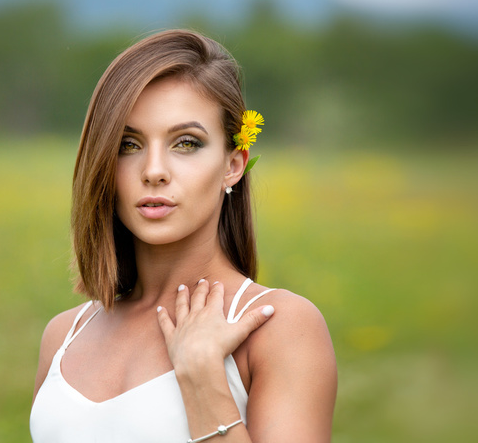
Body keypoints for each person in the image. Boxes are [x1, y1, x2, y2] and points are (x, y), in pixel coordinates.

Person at [30, 29, 337, 442]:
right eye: (127, 144)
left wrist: (202, 376)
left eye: (186, 143)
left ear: (233, 164)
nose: (153, 170)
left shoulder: (277, 328)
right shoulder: (64, 336)